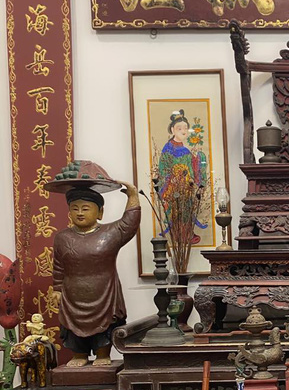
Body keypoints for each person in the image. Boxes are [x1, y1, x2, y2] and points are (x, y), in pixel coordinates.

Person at [53, 184, 141, 367]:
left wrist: (132, 196)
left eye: (85, 208)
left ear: (100, 212)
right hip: (72, 296)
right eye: (75, 208)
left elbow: (129, 224)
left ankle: (103, 353)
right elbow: (59, 266)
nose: (79, 213)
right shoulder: (62, 238)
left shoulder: (110, 233)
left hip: (104, 293)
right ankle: (79, 354)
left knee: (105, 325)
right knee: (72, 327)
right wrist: (56, 289)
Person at [157, 109, 207, 243]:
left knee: (186, 209)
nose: (183, 131)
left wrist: (197, 158)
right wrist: (172, 179)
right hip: (173, 186)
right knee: (177, 211)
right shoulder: (168, 149)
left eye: (185, 128)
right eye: (179, 128)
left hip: (186, 186)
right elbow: (163, 169)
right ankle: (179, 234)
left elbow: (192, 167)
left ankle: (187, 233)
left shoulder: (185, 149)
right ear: (172, 130)